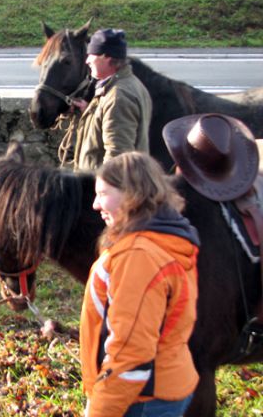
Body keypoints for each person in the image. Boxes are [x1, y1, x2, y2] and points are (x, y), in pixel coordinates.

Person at [81, 151, 200, 417]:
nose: (95, 205)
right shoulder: (163, 238)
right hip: (161, 387)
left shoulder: (139, 256)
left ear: (131, 193)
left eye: (103, 194)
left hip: (141, 399)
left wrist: (101, 409)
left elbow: (131, 353)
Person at [73, 29, 152, 171]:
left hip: (106, 187)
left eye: (92, 55)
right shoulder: (128, 85)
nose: (87, 60)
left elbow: (118, 158)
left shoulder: (118, 97)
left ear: (106, 57)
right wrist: (91, 111)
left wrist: (103, 190)